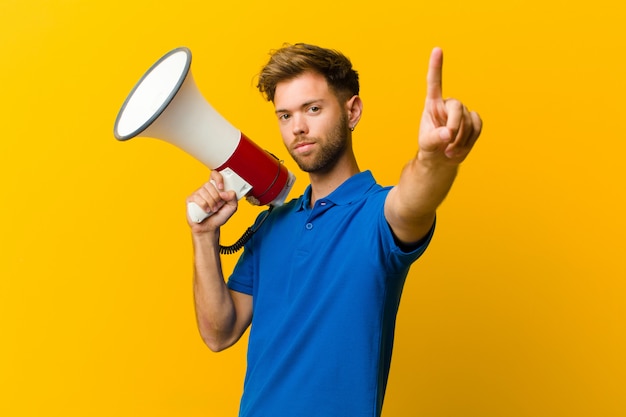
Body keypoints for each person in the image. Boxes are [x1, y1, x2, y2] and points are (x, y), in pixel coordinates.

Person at [187, 43, 482, 417]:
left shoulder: (377, 214)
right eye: (285, 115)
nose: (298, 127)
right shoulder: (270, 224)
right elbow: (219, 333)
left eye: (313, 109)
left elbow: (414, 201)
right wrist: (203, 237)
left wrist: (433, 161)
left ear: (352, 111)